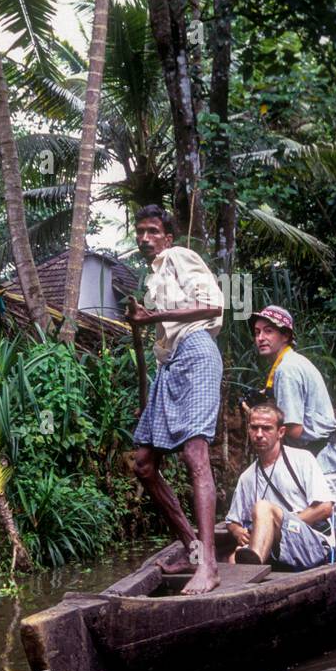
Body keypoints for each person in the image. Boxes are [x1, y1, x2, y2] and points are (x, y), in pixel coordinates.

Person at [127, 204, 224, 595]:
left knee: (194, 455)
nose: (145, 238)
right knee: (145, 464)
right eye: (140, 232)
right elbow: (156, 340)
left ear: (167, 238)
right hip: (170, 366)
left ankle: (211, 567)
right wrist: (145, 318)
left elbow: (214, 306)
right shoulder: (153, 278)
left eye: (153, 231)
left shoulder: (180, 256)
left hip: (198, 353)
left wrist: (151, 318)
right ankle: (194, 549)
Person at [246, 304, 336, 504]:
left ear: (285, 336)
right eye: (257, 332)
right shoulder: (291, 362)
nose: (260, 338)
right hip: (325, 455)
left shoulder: (287, 370)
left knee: (318, 529)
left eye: (269, 331)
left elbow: (294, 430)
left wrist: (258, 417)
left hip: (323, 459)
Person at [225, 402, 334, 569]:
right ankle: (248, 579)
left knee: (263, 507)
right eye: (254, 428)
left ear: (280, 432)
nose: (259, 434)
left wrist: (279, 524)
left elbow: (325, 508)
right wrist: (237, 531)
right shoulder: (247, 477)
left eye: (267, 428)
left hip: (310, 542)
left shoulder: (302, 459)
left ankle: (253, 567)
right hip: (272, 544)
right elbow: (232, 520)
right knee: (233, 559)